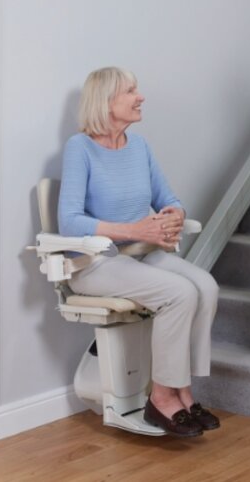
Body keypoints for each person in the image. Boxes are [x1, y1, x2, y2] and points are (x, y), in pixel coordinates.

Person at [58, 66, 220, 438]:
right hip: (97, 263)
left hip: (143, 254)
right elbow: (69, 221)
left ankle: (183, 390)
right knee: (178, 293)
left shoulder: (140, 146)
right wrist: (132, 230)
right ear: (106, 101)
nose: (140, 96)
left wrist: (175, 215)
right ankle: (161, 397)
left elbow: (169, 198)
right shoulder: (79, 148)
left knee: (206, 286)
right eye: (131, 90)